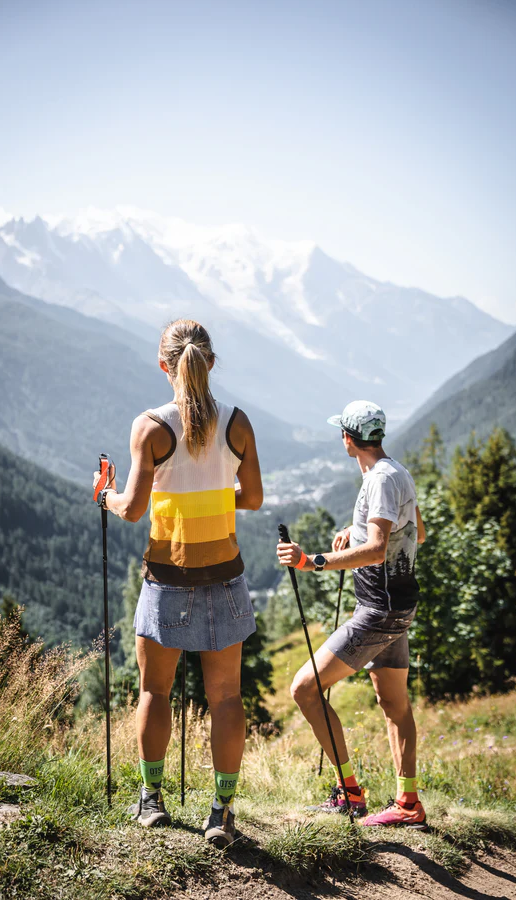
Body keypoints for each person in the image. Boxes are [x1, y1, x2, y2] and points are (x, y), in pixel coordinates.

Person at [93, 319, 263, 847]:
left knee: (154, 691)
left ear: (164, 365)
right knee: (227, 698)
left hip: (168, 579)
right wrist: (212, 495)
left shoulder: (150, 427)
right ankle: (222, 811)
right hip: (225, 578)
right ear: (211, 363)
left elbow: (133, 509)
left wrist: (105, 494)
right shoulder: (238, 423)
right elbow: (252, 498)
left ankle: (152, 802)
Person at [277, 400, 427, 829]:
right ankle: (408, 803)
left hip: (378, 610)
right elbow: (414, 528)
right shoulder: (395, 472)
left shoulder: (379, 480)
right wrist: (356, 531)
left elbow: (379, 548)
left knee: (304, 688)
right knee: (394, 703)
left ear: (348, 437)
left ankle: (350, 793)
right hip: (399, 604)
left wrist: (312, 561)